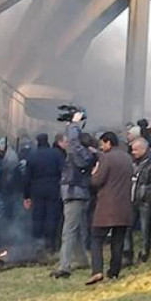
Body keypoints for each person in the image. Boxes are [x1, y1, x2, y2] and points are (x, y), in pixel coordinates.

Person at [86, 132, 134, 285]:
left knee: (96, 238)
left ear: (108, 143)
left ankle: (97, 270)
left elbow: (98, 180)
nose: (101, 146)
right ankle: (114, 271)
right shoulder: (127, 158)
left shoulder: (106, 158)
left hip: (107, 207)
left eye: (102, 143)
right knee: (118, 240)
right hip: (124, 206)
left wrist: (93, 174)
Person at [52, 112, 94, 278]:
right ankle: (82, 260)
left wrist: (73, 125)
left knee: (68, 231)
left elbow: (74, 145)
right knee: (75, 229)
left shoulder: (82, 155)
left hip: (75, 193)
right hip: (77, 193)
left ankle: (64, 266)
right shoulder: (86, 154)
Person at [24, 133, 64, 256]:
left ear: (37, 141)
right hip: (53, 189)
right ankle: (50, 245)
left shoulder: (32, 156)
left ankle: (37, 245)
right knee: (51, 217)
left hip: (37, 190)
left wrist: (26, 196)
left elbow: (27, 178)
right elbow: (63, 171)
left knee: (38, 218)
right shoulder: (56, 154)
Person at [129, 136, 151, 264]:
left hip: (145, 201)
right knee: (128, 227)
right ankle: (128, 252)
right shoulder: (133, 161)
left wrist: (146, 196)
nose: (133, 152)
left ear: (144, 149)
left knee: (145, 228)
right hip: (132, 199)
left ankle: (144, 253)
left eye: (136, 150)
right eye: (133, 150)